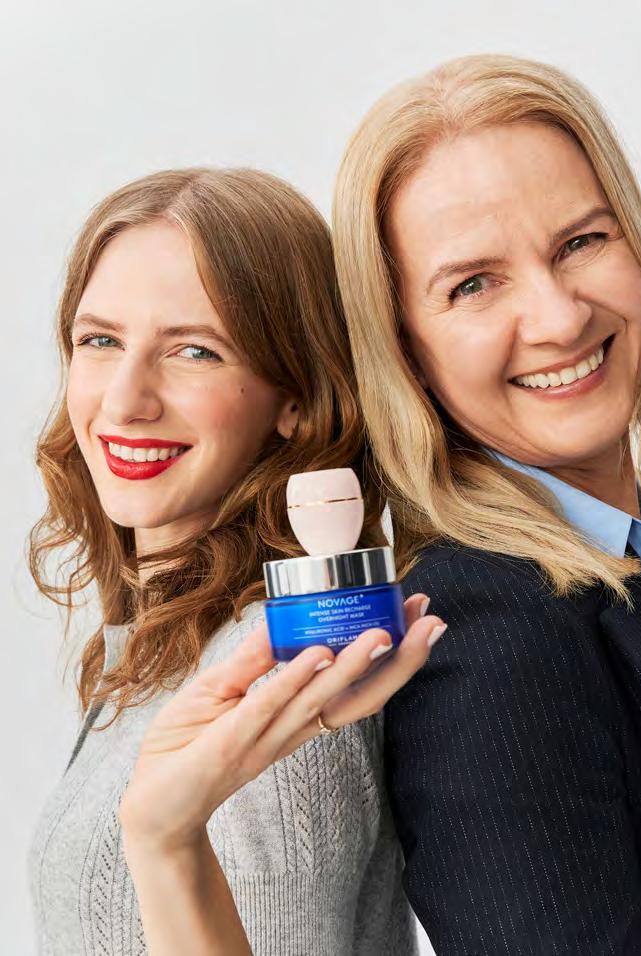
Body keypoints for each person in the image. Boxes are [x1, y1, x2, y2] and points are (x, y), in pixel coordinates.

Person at [332, 54, 641, 955]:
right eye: (472, 284)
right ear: (404, 348)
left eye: (580, 242)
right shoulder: (483, 633)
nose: (558, 318)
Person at [28, 167, 445, 955]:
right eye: (100, 341)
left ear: (296, 398)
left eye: (195, 351)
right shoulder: (167, 649)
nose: (124, 400)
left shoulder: (277, 667)